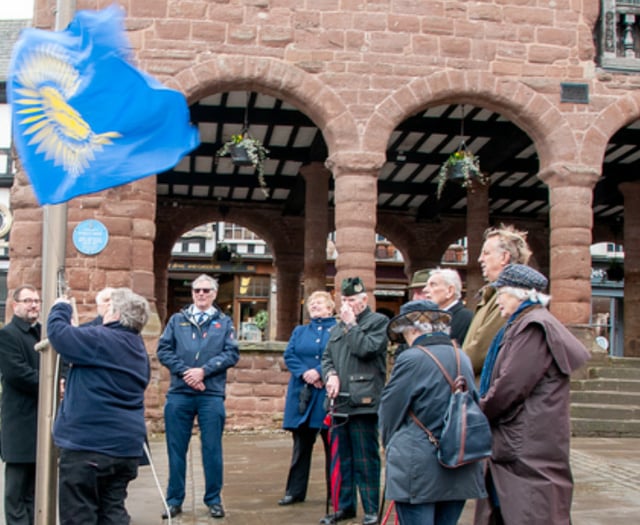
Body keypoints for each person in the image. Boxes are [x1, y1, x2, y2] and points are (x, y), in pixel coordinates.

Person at [474, 264, 590, 525]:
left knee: (530, 512)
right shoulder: (526, 323)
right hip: (524, 444)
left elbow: (510, 387)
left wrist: (478, 410)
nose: (498, 301)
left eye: (500, 293)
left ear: (519, 294)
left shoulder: (532, 326)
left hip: (525, 449)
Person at [47, 288, 151, 525]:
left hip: (89, 446)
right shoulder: (137, 348)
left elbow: (58, 334)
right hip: (125, 449)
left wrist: (60, 307)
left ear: (115, 314)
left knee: (79, 516)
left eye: (107, 307)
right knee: (112, 513)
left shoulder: (102, 340)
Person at [380, 300, 486, 525]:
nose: (406, 342)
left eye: (405, 335)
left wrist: (388, 444)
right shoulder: (462, 357)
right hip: (459, 460)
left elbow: (390, 411)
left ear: (415, 330)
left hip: (418, 465)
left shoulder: (412, 358)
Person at [157, 274, 239, 520]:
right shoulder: (177, 320)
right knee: (175, 449)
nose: (201, 294)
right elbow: (163, 350)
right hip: (180, 393)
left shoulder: (224, 322)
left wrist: (204, 371)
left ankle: (213, 499)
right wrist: (186, 372)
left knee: (212, 449)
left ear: (214, 293)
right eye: (197, 291)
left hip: (210, 394)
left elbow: (231, 354)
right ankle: (174, 500)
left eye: (206, 290)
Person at [320, 277, 388, 525]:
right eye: (344, 300)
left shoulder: (378, 322)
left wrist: (351, 325)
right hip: (339, 403)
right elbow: (326, 357)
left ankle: (371, 510)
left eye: (352, 300)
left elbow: (366, 349)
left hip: (364, 403)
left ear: (364, 300)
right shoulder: (337, 327)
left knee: (365, 459)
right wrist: (330, 375)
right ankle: (343, 507)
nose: (347, 305)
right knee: (342, 459)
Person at [278, 291, 336, 506]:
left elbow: (340, 354)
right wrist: (306, 373)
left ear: (330, 308)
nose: (314, 306)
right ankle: (294, 491)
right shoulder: (300, 331)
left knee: (333, 447)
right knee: (301, 446)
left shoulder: (338, 330)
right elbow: (289, 355)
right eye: (311, 303)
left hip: (328, 393)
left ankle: (335, 494)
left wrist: (320, 372)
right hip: (303, 393)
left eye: (319, 303)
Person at [462, 224, 531, 375]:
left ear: (504, 257)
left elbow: (479, 352)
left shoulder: (509, 296)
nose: (480, 259)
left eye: (486, 253)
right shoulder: (494, 293)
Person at [0, 285, 41, 525]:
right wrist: (51, 385)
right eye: (27, 300)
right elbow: (17, 373)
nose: (33, 305)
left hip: (39, 421)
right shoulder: (8, 335)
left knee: (34, 492)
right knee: (16, 492)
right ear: (15, 305)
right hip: (19, 423)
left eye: (36, 300)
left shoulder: (42, 333)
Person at [423, 268, 473, 345]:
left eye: (433, 285)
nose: (425, 290)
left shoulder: (466, 318)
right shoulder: (428, 317)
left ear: (450, 291)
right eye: (426, 285)